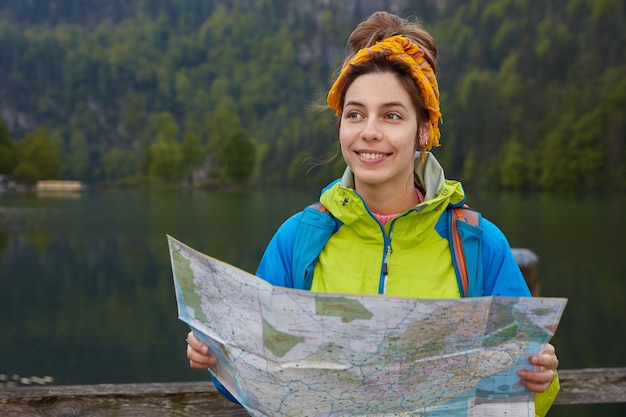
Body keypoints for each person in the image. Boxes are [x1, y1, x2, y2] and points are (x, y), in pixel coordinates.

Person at [186, 10, 560, 416]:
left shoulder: (478, 244)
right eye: (356, 113)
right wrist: (216, 356)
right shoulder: (299, 238)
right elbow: (255, 377)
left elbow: (527, 395)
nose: (370, 131)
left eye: (392, 115)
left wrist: (542, 377)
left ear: (422, 131)